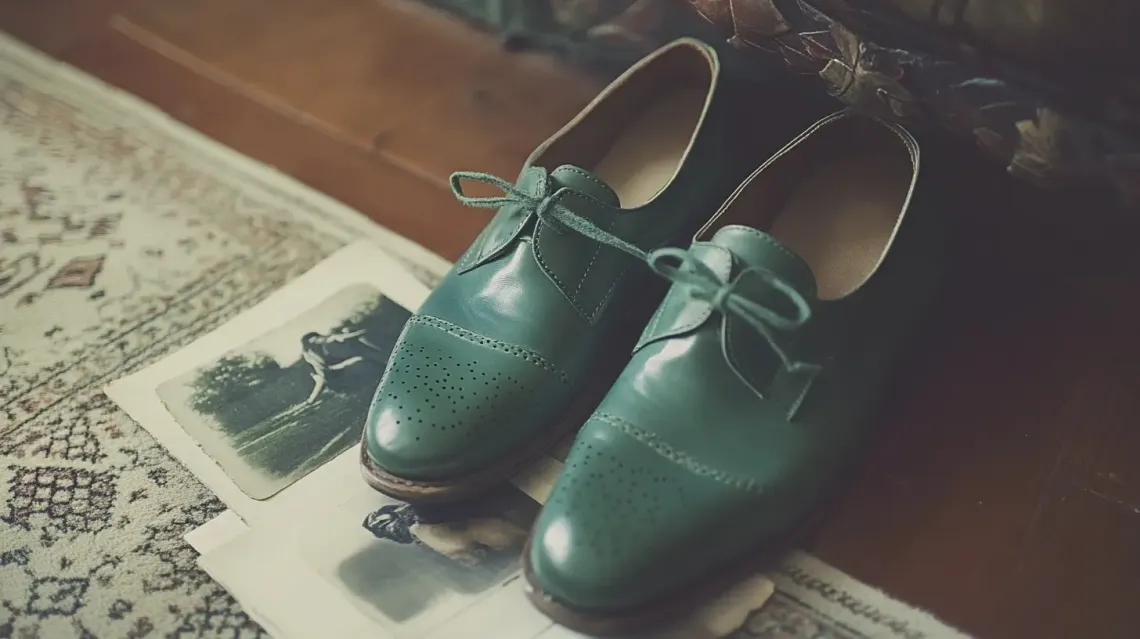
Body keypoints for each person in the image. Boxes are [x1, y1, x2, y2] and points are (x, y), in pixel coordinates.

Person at [297, 327, 386, 406]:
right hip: (334, 376)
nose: (316, 344)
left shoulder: (326, 343)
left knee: (361, 361)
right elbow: (322, 378)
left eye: (316, 341)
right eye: (313, 343)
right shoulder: (312, 358)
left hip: (337, 373)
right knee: (360, 361)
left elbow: (335, 339)